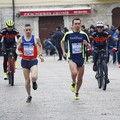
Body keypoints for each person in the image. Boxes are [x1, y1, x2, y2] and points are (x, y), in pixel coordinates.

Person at [61, 18, 91, 100]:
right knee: (74, 73)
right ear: (72, 25)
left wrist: (87, 44)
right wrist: (63, 51)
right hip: (72, 58)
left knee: (80, 78)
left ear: (80, 25)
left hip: (81, 58)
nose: (77, 25)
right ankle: (73, 82)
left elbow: (89, 46)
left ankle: (77, 92)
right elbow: (62, 42)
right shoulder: (68, 34)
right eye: (75, 24)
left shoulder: (84, 34)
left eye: (78, 23)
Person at [16, 24, 44, 103]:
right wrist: (18, 53)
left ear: (32, 30)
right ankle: (29, 95)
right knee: (27, 80)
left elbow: (40, 46)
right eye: (26, 30)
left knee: (34, 76)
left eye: (29, 30)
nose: (28, 31)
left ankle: (34, 82)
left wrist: (40, 55)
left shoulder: (35, 38)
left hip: (33, 60)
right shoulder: (21, 39)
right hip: (24, 61)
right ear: (24, 30)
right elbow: (17, 49)